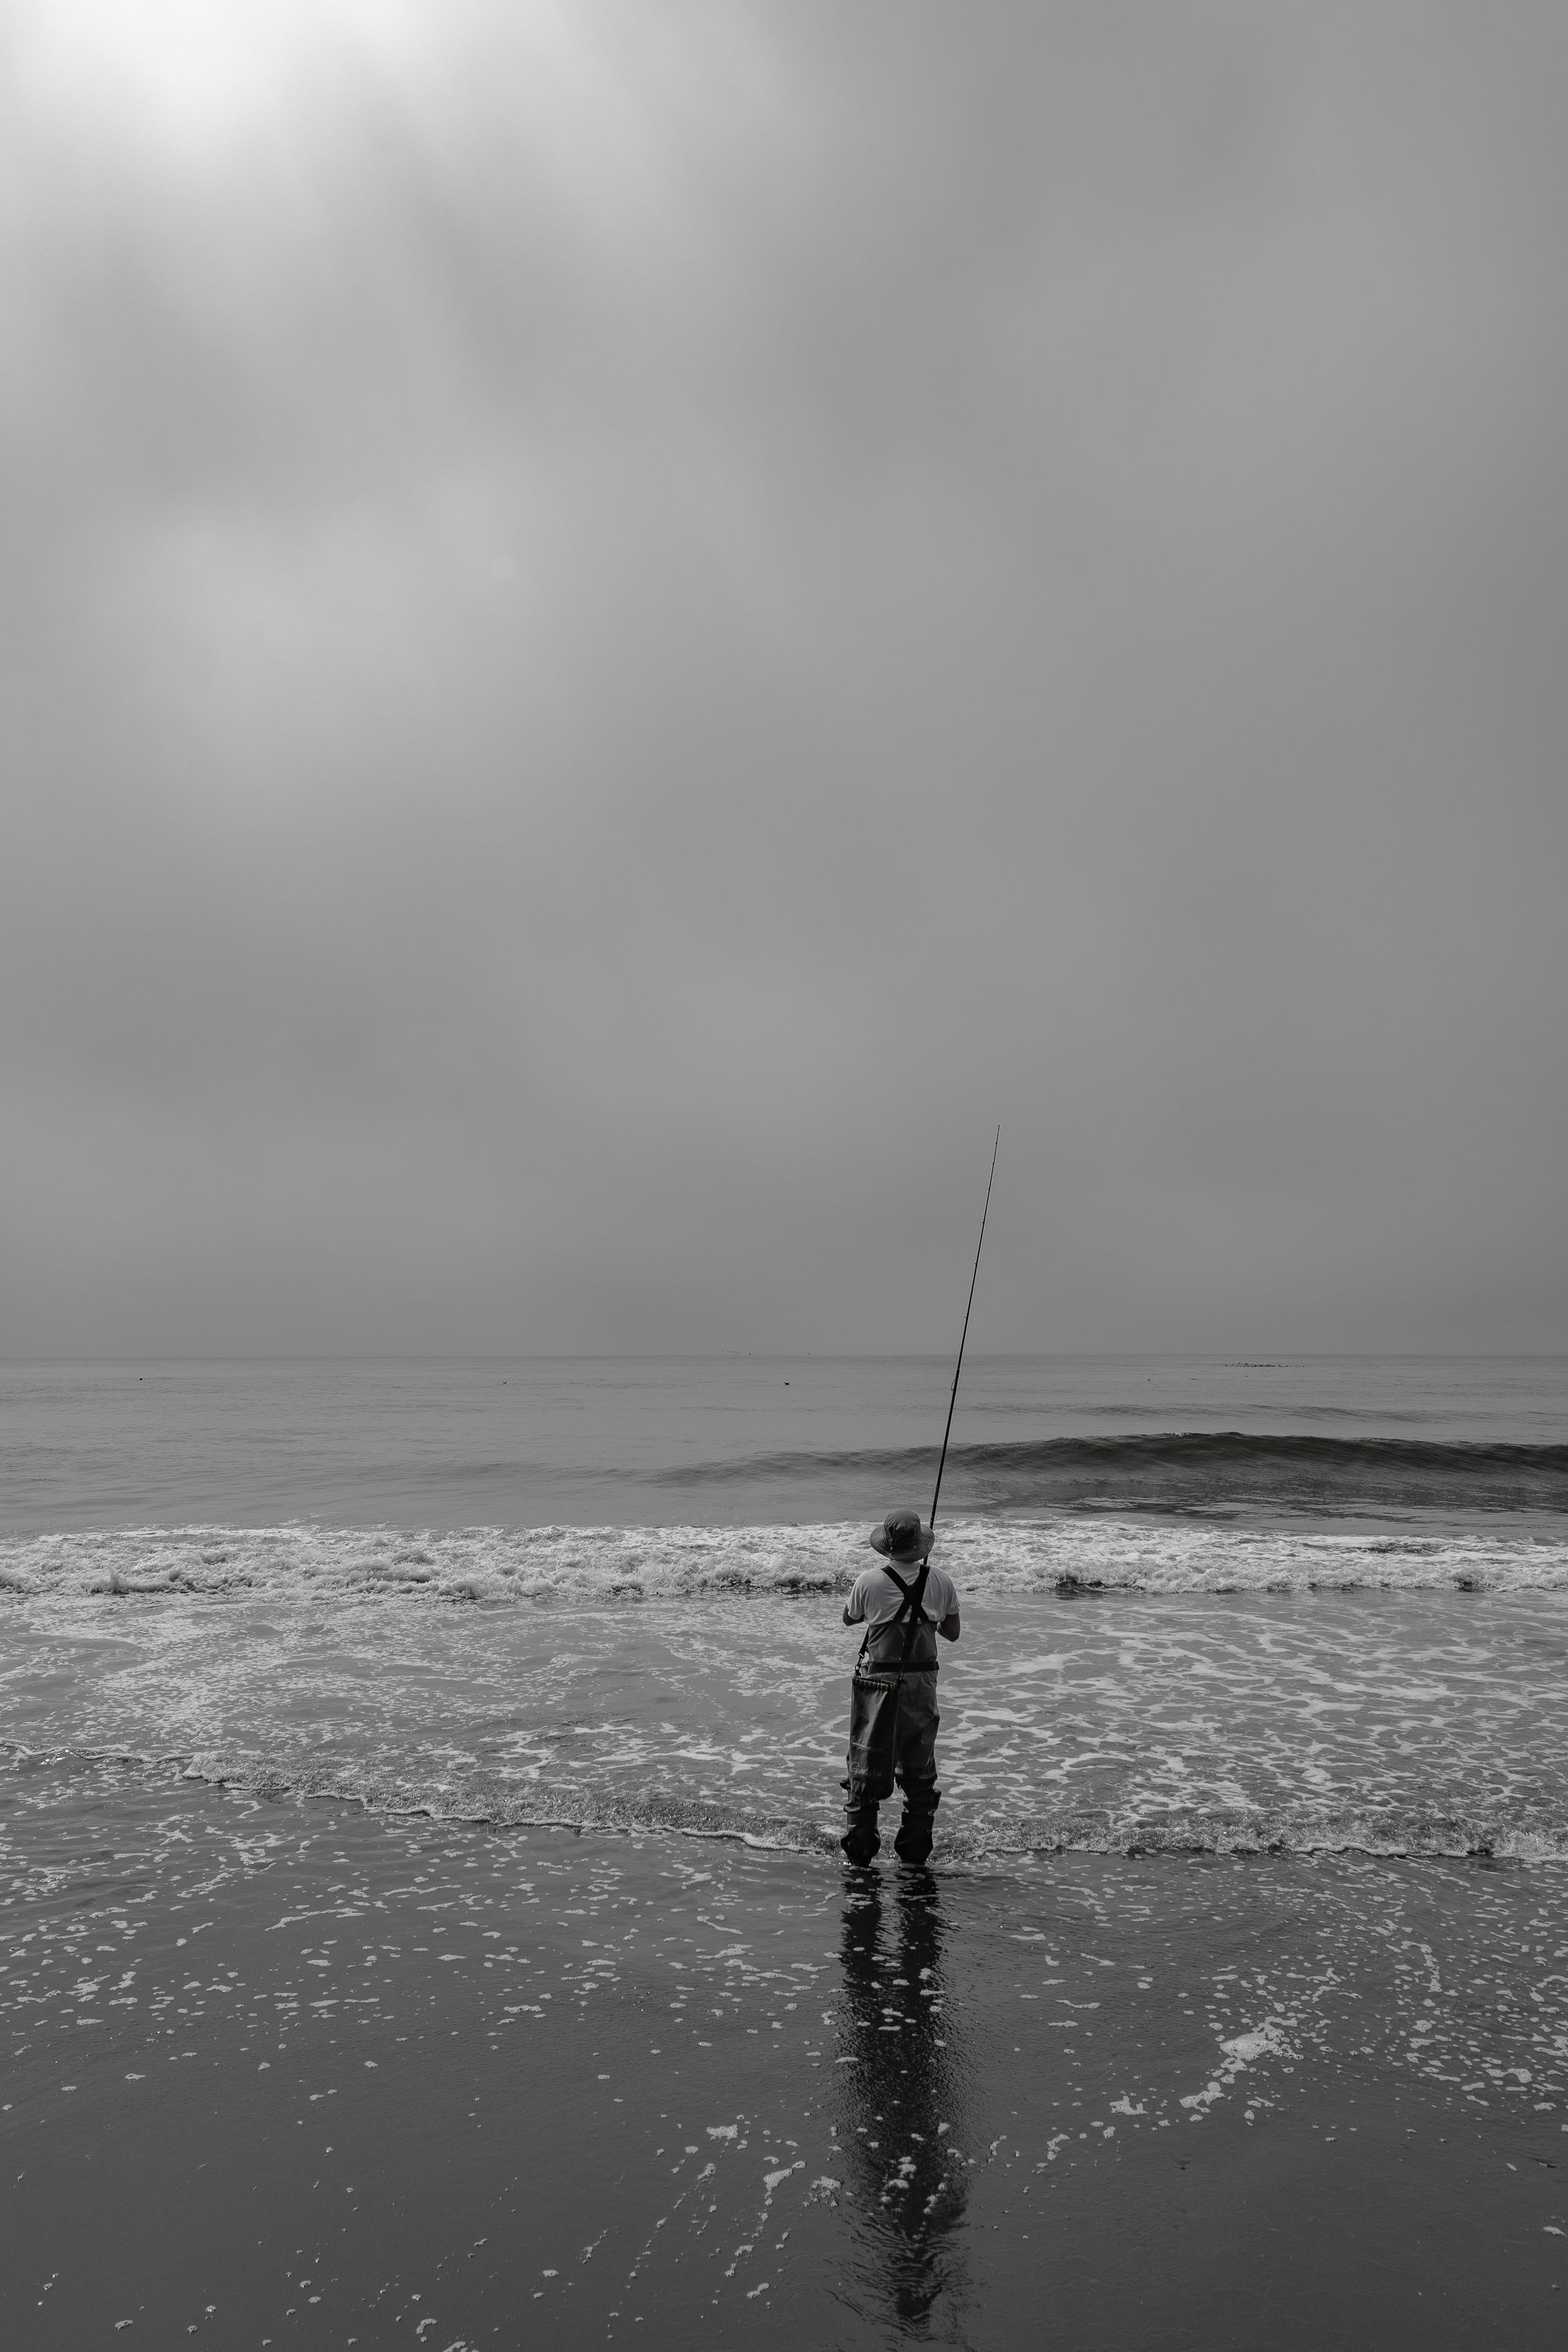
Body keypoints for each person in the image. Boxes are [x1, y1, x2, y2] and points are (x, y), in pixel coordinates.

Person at [840, 1505, 960, 1866]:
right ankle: (914, 1856)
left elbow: (849, 1619)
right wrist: (926, 1610)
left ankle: (860, 1854)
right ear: (920, 1545)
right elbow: (952, 1633)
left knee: (865, 1768)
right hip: (921, 1685)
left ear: (887, 1546)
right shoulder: (940, 1580)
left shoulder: (869, 1581)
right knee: (920, 1774)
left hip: (878, 1685)